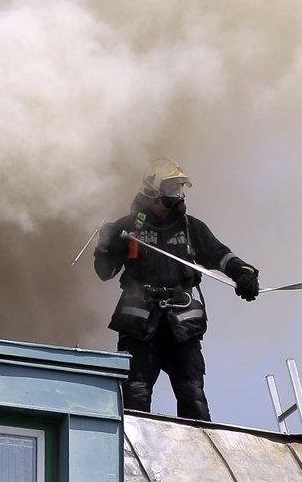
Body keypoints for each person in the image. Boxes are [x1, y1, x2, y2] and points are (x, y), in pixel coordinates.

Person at [94, 157, 261, 421]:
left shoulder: (191, 228)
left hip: (182, 328)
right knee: (135, 396)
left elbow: (220, 255)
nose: (179, 195)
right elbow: (105, 272)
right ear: (153, 191)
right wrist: (105, 245)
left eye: (180, 188)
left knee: (193, 397)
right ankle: (131, 447)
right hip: (139, 327)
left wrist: (243, 273)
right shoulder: (128, 228)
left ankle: (199, 445)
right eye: (172, 189)